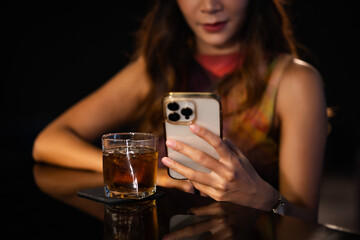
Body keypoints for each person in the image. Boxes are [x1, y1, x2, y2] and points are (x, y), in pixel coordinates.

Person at [32, 0, 327, 222]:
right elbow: (48, 142)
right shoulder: (156, 69)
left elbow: (305, 220)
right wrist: (155, 175)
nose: (210, 6)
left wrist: (265, 199)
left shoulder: (294, 81)